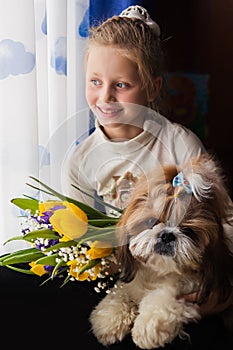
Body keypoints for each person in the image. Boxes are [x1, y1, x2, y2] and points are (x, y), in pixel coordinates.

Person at [61, 3, 233, 332]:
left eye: (121, 85)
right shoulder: (80, 161)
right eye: (95, 81)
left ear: (152, 88)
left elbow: (223, 220)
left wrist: (223, 288)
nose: (105, 97)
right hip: (123, 275)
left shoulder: (178, 143)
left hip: (183, 274)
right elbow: (81, 237)